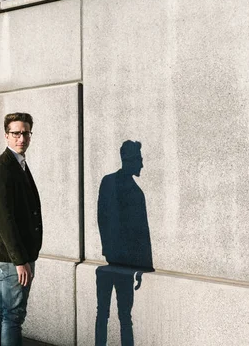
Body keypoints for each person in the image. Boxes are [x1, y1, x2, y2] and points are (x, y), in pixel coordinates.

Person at [0, 112, 42, 346]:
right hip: (12, 257)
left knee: (3, 311)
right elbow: (3, 219)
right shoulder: (1, 169)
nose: (22, 138)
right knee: (13, 316)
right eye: (16, 133)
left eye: (26, 133)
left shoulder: (18, 164)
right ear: (6, 135)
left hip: (14, 254)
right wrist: (20, 261)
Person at [95, 140, 153, 346]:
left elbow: (102, 217)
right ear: (130, 159)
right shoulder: (135, 193)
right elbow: (140, 234)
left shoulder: (109, 182)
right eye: (140, 160)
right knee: (123, 317)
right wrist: (141, 267)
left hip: (116, 262)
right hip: (124, 265)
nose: (142, 165)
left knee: (104, 314)